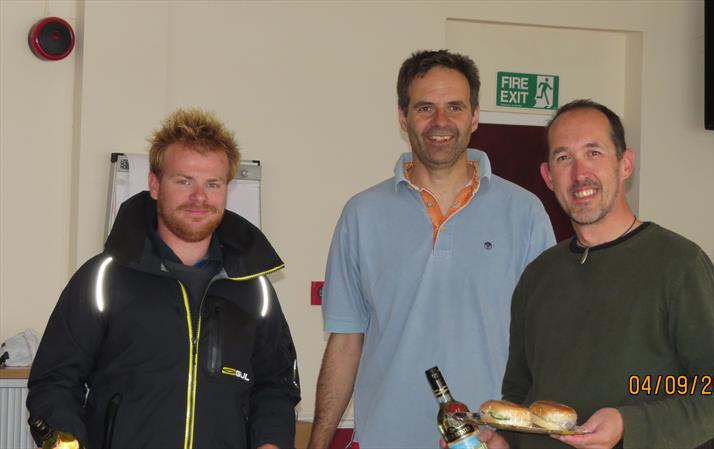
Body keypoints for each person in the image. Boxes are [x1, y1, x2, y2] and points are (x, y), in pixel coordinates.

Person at [308, 50, 555, 449]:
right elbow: (345, 343)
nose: (440, 122)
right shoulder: (361, 214)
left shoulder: (524, 213)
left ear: (475, 116)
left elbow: (546, 346)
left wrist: (521, 441)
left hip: (489, 444)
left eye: (454, 107)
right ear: (403, 117)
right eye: (425, 107)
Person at [27, 109, 301, 449]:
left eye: (212, 184)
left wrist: (271, 443)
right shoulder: (102, 280)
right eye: (184, 181)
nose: (199, 197)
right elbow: (55, 380)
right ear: (155, 184)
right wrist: (66, 443)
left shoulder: (253, 288)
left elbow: (275, 385)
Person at [490, 99, 714, 449]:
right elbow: (519, 392)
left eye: (593, 153)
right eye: (564, 157)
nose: (580, 173)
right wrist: (503, 438)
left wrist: (629, 423)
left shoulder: (680, 265)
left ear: (625, 164)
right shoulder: (538, 276)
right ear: (548, 176)